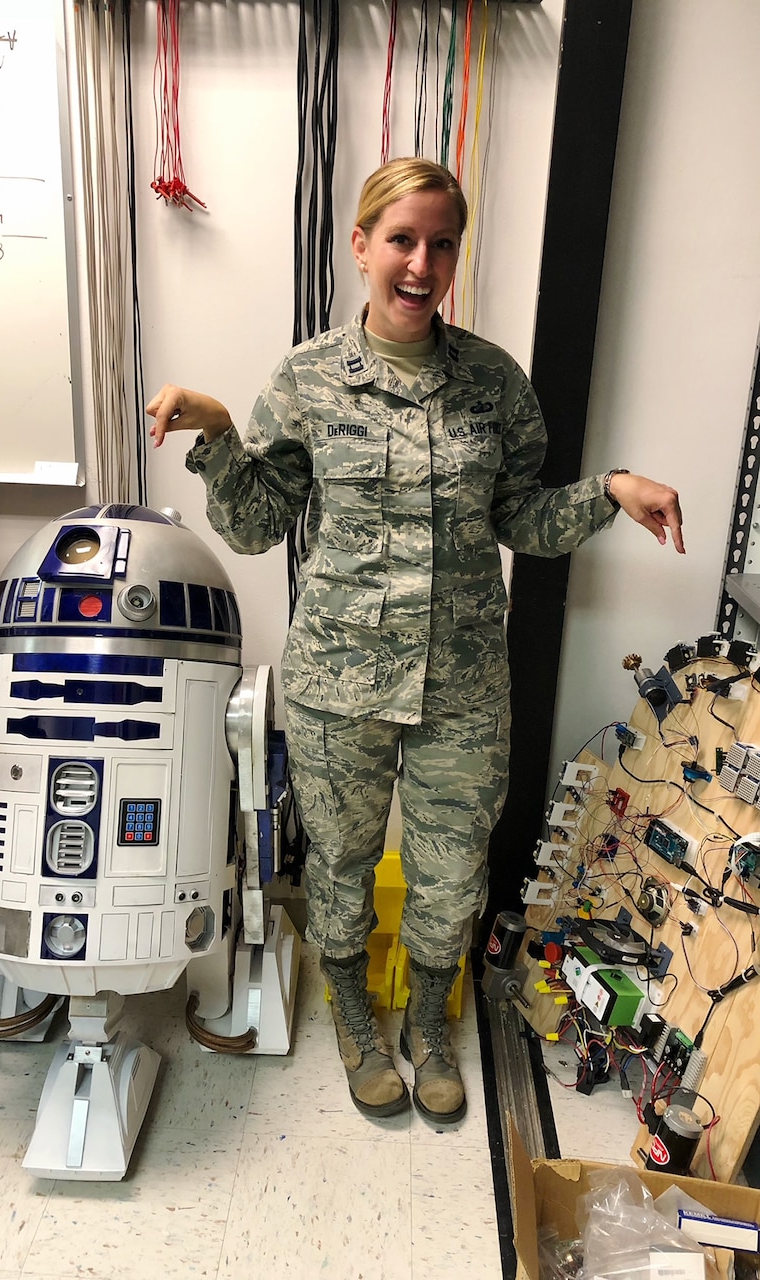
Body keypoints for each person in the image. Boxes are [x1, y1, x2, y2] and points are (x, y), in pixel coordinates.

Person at [146, 157, 684, 1127]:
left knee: (452, 868)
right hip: (338, 680)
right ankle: (355, 1008)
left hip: (464, 683)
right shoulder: (307, 379)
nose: (420, 261)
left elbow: (523, 515)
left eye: (440, 243)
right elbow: (261, 523)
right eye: (401, 239)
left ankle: (432, 1023)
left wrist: (607, 491)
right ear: (362, 246)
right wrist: (222, 432)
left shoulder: (492, 383)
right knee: (342, 862)